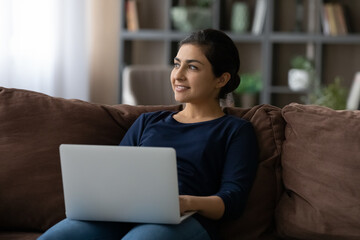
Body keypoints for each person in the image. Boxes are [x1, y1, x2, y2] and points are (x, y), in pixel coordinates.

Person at [38, 29, 258, 240]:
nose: (178, 75)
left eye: (192, 67)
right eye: (176, 64)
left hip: (189, 220)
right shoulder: (148, 122)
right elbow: (115, 175)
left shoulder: (235, 131)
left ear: (221, 79)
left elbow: (232, 200)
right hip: (125, 213)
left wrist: (186, 203)